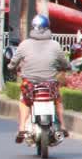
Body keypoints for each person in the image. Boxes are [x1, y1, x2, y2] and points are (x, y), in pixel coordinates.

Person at [8, 14, 70, 142]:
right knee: (57, 100)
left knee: (24, 101)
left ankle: (21, 128)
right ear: (47, 27)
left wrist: (12, 67)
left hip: (30, 84)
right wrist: (65, 67)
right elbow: (65, 63)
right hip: (50, 84)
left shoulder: (24, 45)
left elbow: (13, 63)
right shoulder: (55, 45)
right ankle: (63, 126)